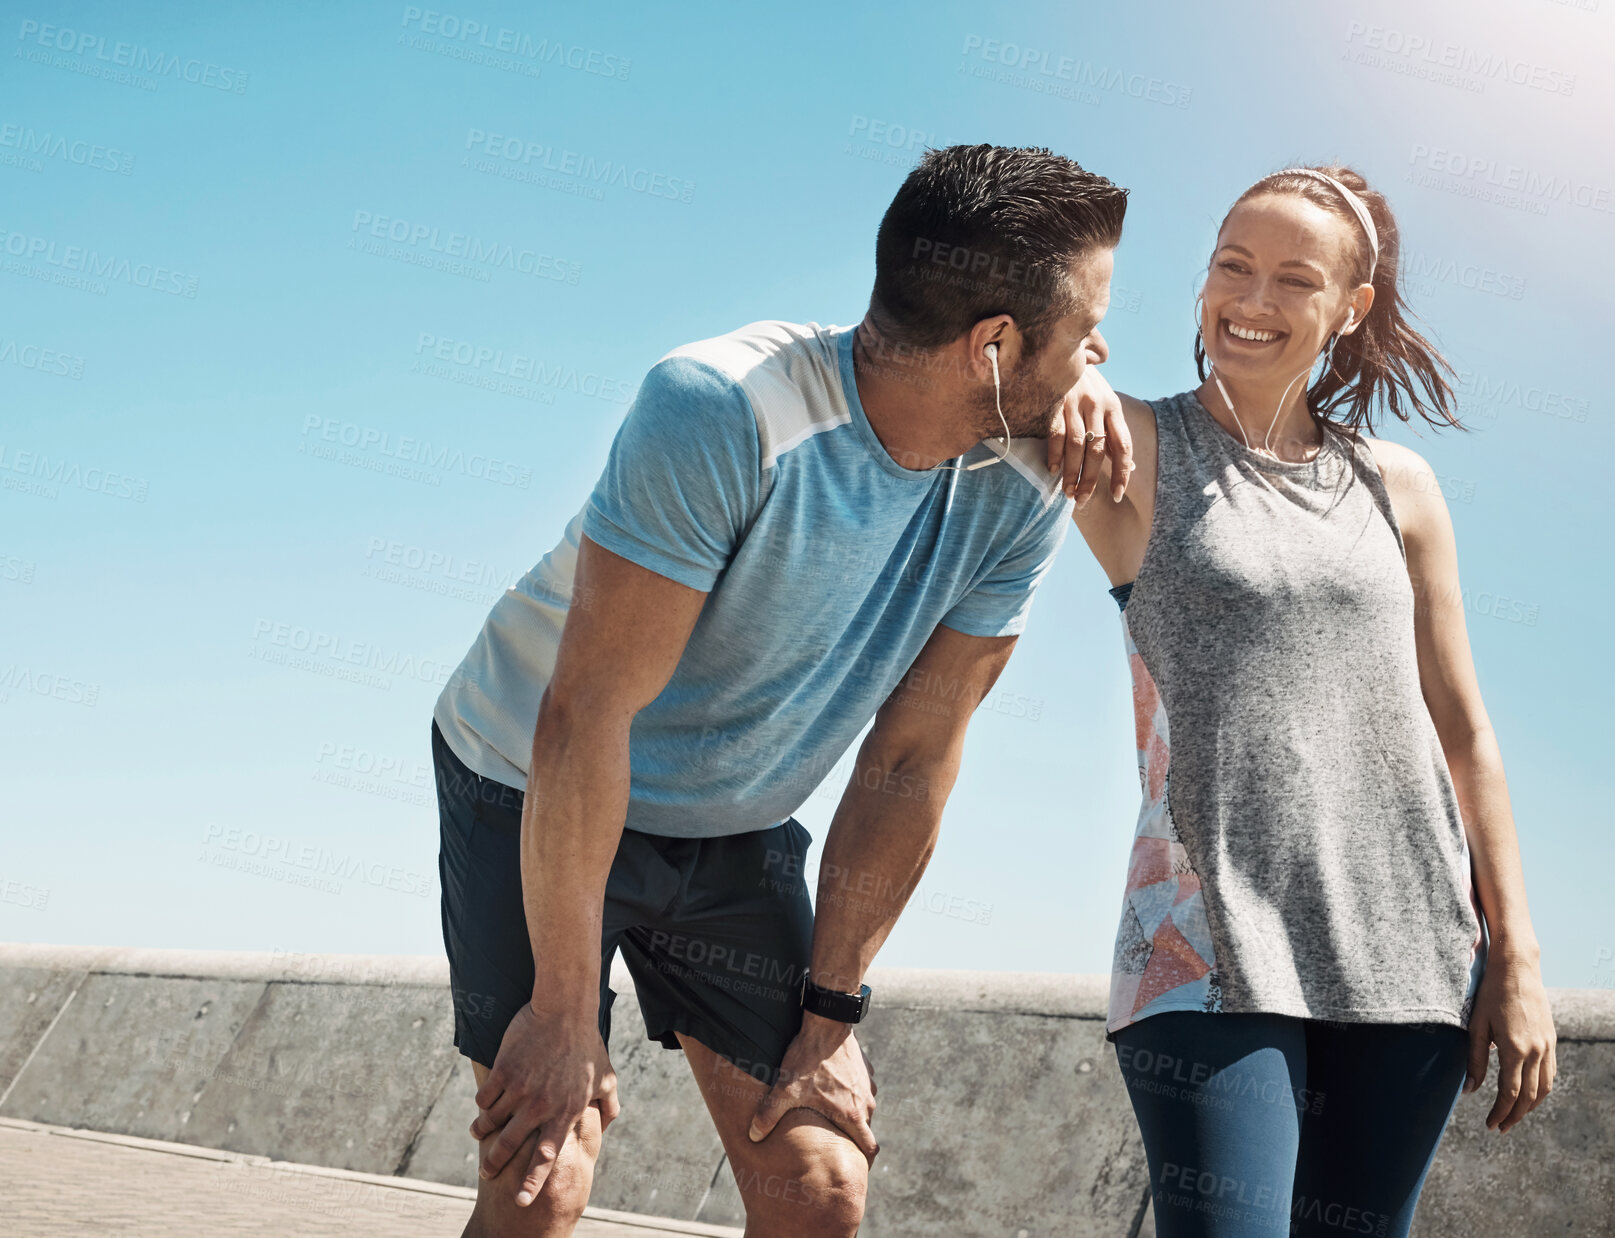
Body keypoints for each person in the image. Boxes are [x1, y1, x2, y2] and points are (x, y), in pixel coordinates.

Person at [430, 143, 1132, 1237]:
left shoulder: (1036, 475)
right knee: (545, 1173)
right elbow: (585, 713)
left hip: (732, 824)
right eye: (1088, 319)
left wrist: (830, 1013)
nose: (1101, 351)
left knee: (818, 1186)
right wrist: (564, 1009)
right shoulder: (719, 407)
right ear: (991, 345)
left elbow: (909, 760)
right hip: (532, 778)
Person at [1065, 165, 1557, 1237]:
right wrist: (1071, 368)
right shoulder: (1129, 444)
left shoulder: (1400, 485)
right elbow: (975, 387)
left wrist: (1513, 955)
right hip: (1201, 946)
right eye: (1231, 266)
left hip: (1410, 949)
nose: (1251, 299)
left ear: (1348, 308)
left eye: (1295, 278)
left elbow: (1464, 735)